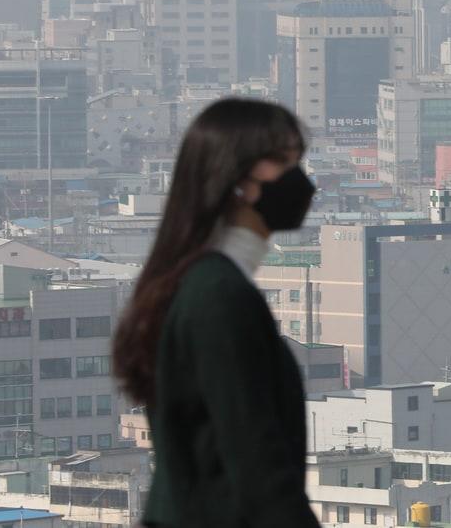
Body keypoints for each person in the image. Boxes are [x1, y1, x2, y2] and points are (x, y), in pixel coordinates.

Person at [113, 98, 321, 527]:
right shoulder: (219, 295)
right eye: (282, 162)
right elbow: (257, 459)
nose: (299, 179)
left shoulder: (191, 283)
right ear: (237, 179)